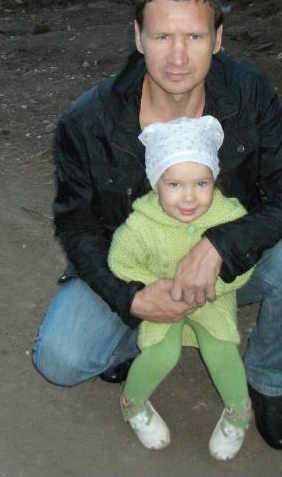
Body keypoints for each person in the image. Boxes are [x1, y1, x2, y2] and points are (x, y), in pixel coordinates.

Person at [32, 0, 282, 450]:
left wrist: (222, 245)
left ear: (218, 39)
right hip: (136, 265)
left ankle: (268, 382)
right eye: (162, 37)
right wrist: (129, 298)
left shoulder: (249, 93)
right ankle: (140, 335)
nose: (177, 57)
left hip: (224, 271)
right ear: (138, 37)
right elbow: (77, 227)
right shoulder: (88, 120)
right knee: (61, 361)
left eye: (194, 36)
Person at [108, 115, 253, 460]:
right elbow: (120, 261)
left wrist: (215, 285)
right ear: (155, 183)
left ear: (215, 180)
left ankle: (238, 412)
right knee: (162, 352)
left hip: (212, 298)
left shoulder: (230, 216)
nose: (189, 198)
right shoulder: (142, 224)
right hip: (163, 299)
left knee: (222, 349)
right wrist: (151, 287)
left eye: (201, 184)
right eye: (174, 185)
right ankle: (133, 403)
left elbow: (245, 262)